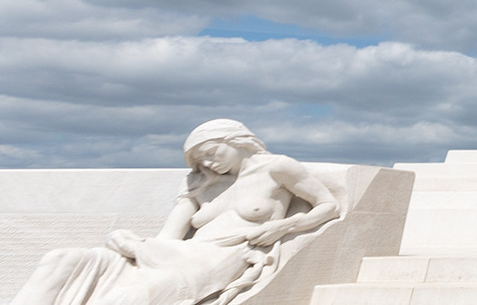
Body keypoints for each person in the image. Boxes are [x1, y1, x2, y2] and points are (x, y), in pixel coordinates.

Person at [14, 120, 341, 305]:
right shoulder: (201, 183)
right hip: (174, 252)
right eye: (202, 161)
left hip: (220, 258)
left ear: (238, 140)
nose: (210, 164)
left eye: (213, 153)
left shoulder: (277, 168)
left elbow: (328, 206)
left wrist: (283, 227)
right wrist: (128, 241)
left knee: (128, 298)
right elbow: (168, 237)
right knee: (62, 259)